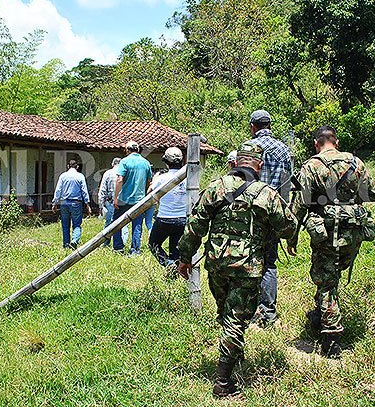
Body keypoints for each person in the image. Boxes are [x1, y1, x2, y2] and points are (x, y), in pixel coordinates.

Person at [178, 143, 298, 398]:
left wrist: (185, 257)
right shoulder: (266, 193)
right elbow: (288, 226)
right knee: (235, 319)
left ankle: (234, 353)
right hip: (247, 267)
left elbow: (194, 226)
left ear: (234, 164)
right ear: (260, 166)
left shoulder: (215, 187)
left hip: (217, 265)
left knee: (225, 312)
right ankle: (222, 382)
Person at [291, 125, 375, 358]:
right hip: (353, 233)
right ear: (336, 142)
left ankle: (331, 340)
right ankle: (321, 315)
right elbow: (373, 194)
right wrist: (348, 198)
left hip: (327, 233)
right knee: (331, 276)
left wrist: (290, 235)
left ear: (316, 143)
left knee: (327, 281)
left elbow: (300, 204)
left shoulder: (312, 166)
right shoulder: (356, 163)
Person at [246, 109, 293, 327]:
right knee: (269, 262)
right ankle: (268, 312)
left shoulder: (248, 148)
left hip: (251, 213)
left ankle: (249, 308)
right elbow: (287, 186)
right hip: (275, 212)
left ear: (253, 127)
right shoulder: (285, 150)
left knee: (248, 260)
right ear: (270, 126)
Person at [147, 147, 187, 276]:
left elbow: (149, 193)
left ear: (166, 163)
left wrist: (154, 180)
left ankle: (168, 264)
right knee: (175, 250)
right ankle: (173, 270)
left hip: (164, 218)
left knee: (153, 244)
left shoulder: (162, 178)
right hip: (182, 219)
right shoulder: (188, 178)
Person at [113, 140, 153, 255]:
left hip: (124, 199)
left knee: (116, 223)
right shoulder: (145, 162)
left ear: (127, 150)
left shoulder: (124, 161)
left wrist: (116, 197)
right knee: (137, 224)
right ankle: (135, 250)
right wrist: (144, 193)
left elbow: (120, 179)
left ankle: (118, 246)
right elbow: (149, 181)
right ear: (138, 150)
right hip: (139, 200)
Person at [51, 160, 92, 249]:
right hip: (76, 203)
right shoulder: (80, 176)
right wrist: (87, 204)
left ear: (68, 166)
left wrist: (54, 203)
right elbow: (84, 191)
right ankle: (74, 240)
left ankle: (66, 244)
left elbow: (58, 190)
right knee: (76, 224)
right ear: (77, 167)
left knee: (65, 225)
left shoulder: (63, 176)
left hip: (64, 202)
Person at [97, 157, 128, 246]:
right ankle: (124, 242)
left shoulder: (108, 173)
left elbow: (102, 190)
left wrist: (101, 204)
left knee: (109, 223)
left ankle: (105, 242)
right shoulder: (124, 173)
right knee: (124, 223)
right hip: (123, 201)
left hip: (110, 202)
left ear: (112, 164)